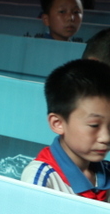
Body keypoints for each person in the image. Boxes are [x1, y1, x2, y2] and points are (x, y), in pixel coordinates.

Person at [20, 59, 110, 200]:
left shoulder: (106, 171)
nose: (106, 138)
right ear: (58, 123)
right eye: (94, 125)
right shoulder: (41, 178)